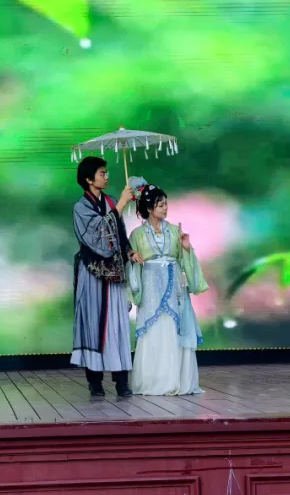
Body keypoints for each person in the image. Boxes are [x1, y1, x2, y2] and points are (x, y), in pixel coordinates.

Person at [127, 184, 208, 395]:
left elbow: (184, 259)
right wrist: (132, 257)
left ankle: (177, 381)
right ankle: (153, 381)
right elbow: (131, 262)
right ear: (149, 207)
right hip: (151, 287)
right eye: (161, 205)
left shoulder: (174, 231)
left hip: (174, 287)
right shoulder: (137, 234)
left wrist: (186, 247)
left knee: (174, 328)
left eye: (166, 204)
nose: (165, 208)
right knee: (154, 330)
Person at [71, 156, 140, 397]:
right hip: (93, 273)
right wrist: (120, 205)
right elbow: (96, 235)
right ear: (89, 179)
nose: (106, 176)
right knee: (94, 323)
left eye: (106, 172)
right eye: (102, 173)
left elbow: (119, 233)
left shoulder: (109, 201)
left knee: (118, 324)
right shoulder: (81, 207)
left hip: (115, 272)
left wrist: (129, 251)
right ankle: (95, 381)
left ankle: (121, 381)